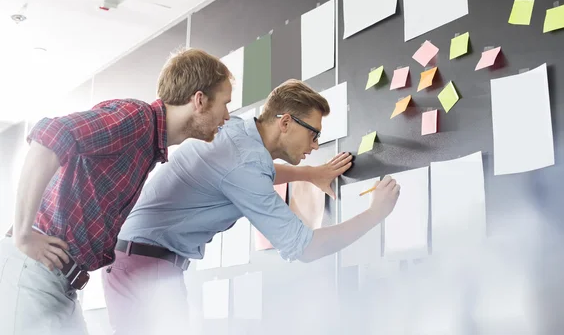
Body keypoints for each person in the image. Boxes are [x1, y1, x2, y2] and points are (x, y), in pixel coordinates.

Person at [102, 79, 401, 334]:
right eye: (314, 134)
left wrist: (310, 173)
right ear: (285, 122)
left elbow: (248, 173)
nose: (314, 146)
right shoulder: (245, 163)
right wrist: (376, 214)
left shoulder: (236, 131)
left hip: (129, 259)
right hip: (147, 266)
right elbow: (305, 248)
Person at [0, 48, 234, 335]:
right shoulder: (136, 119)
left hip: (61, 284)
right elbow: (51, 136)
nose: (227, 115)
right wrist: (23, 234)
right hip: (34, 273)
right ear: (199, 100)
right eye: (225, 103)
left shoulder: (149, 146)